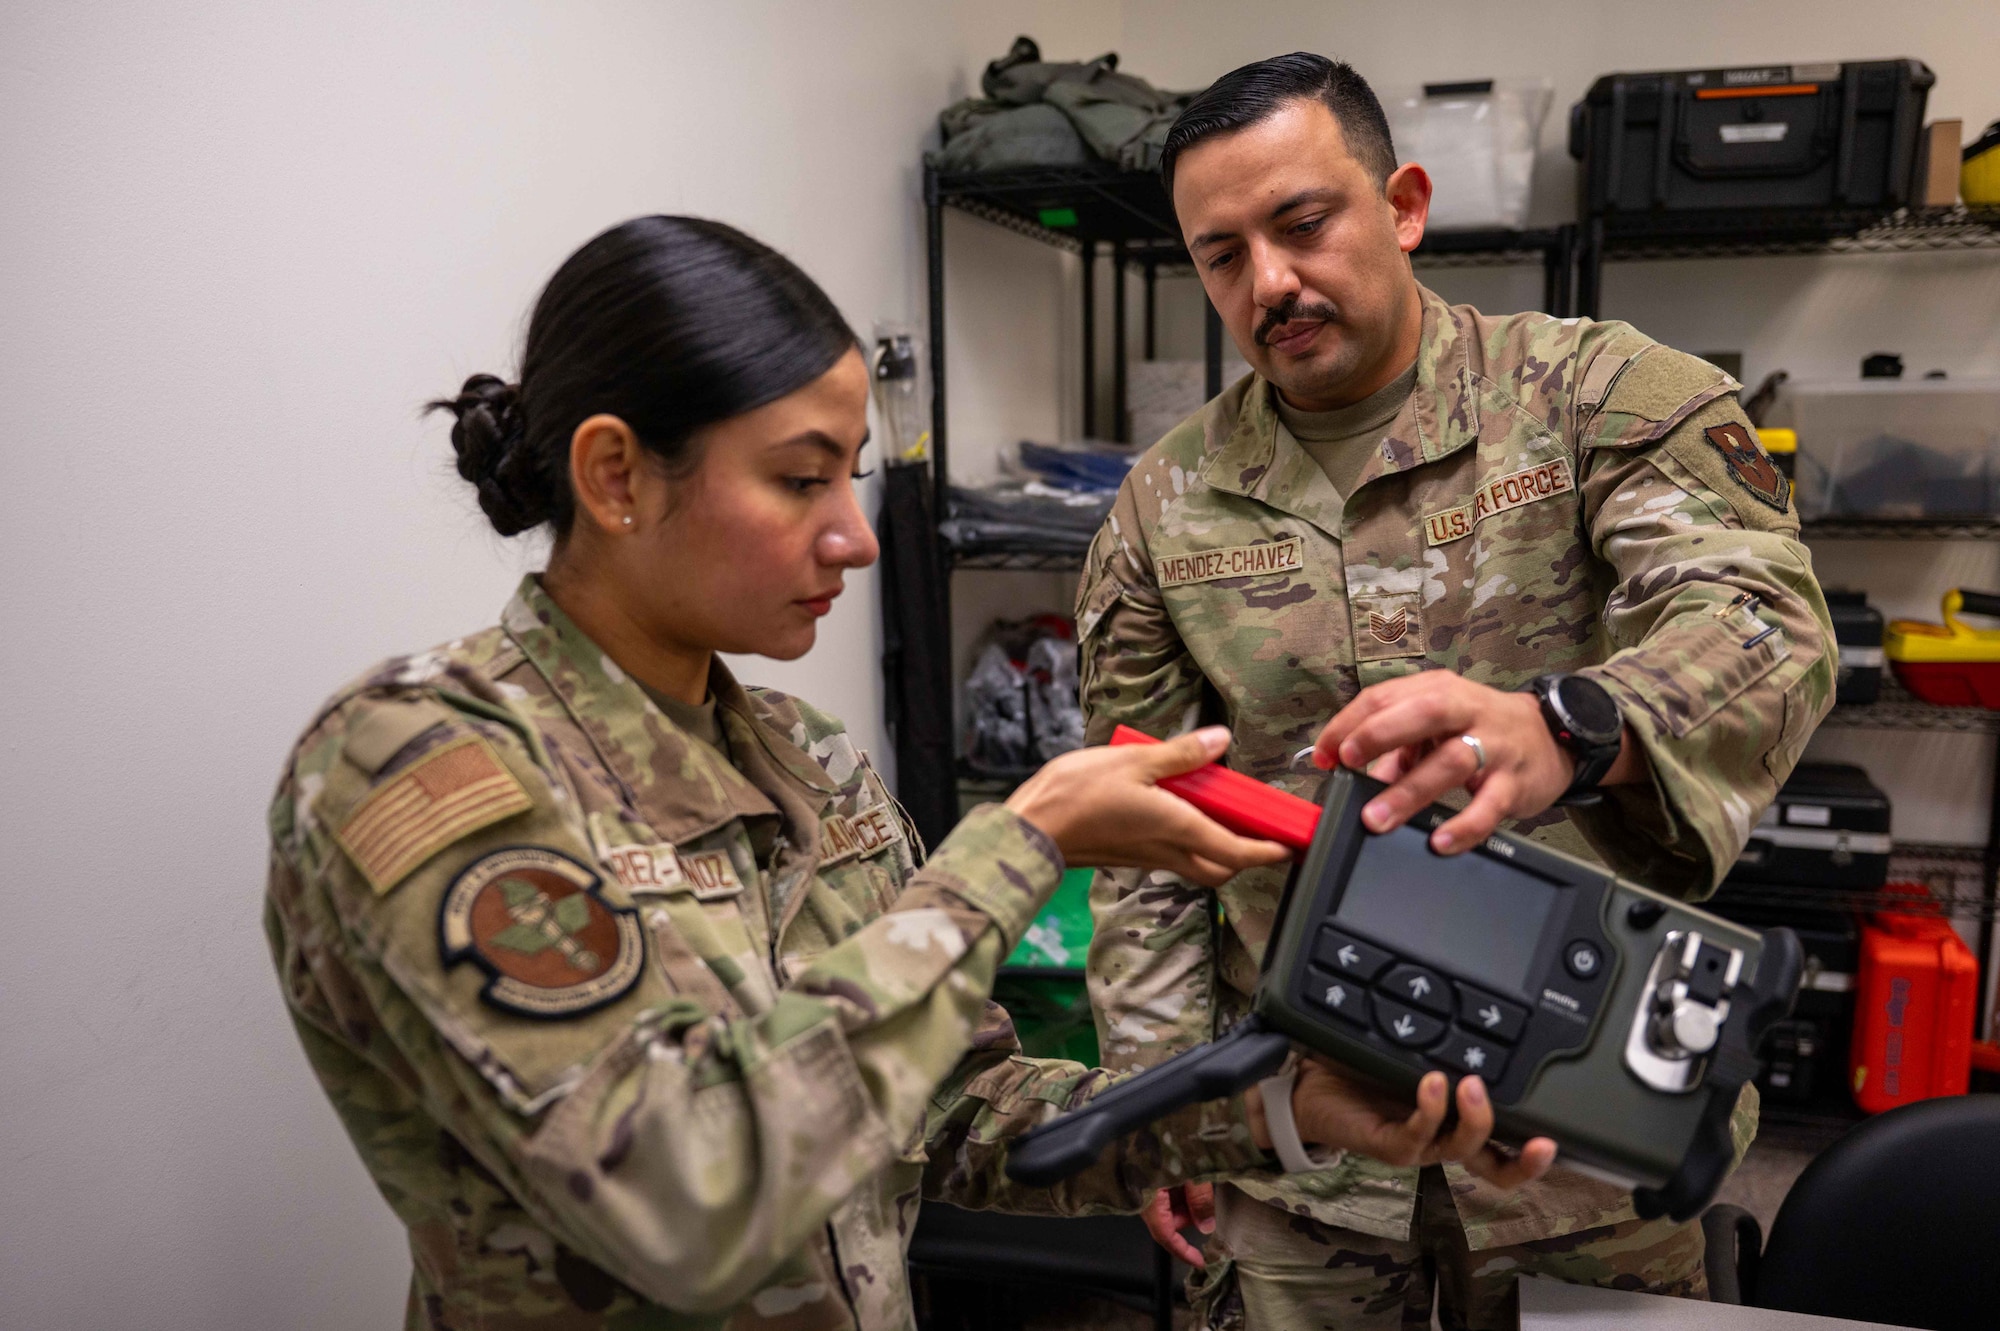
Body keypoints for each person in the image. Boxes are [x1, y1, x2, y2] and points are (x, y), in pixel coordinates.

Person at [263, 215, 1560, 1331]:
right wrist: (1023, 839)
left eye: (853, 476)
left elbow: (948, 1110)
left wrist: (1287, 1104)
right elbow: (685, 1190)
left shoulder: (804, 760)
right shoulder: (417, 756)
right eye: (796, 477)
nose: (852, 535)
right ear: (615, 474)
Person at [1077, 54, 1835, 1331]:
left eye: (1302, 223)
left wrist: (1568, 728)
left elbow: (1760, 619)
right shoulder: (1163, 503)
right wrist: (1162, 1094)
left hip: (1589, 1122)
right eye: (1220, 255)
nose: (1268, 282)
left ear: (1404, 204)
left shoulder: (1597, 394)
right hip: (1306, 1139)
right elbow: (1146, 832)